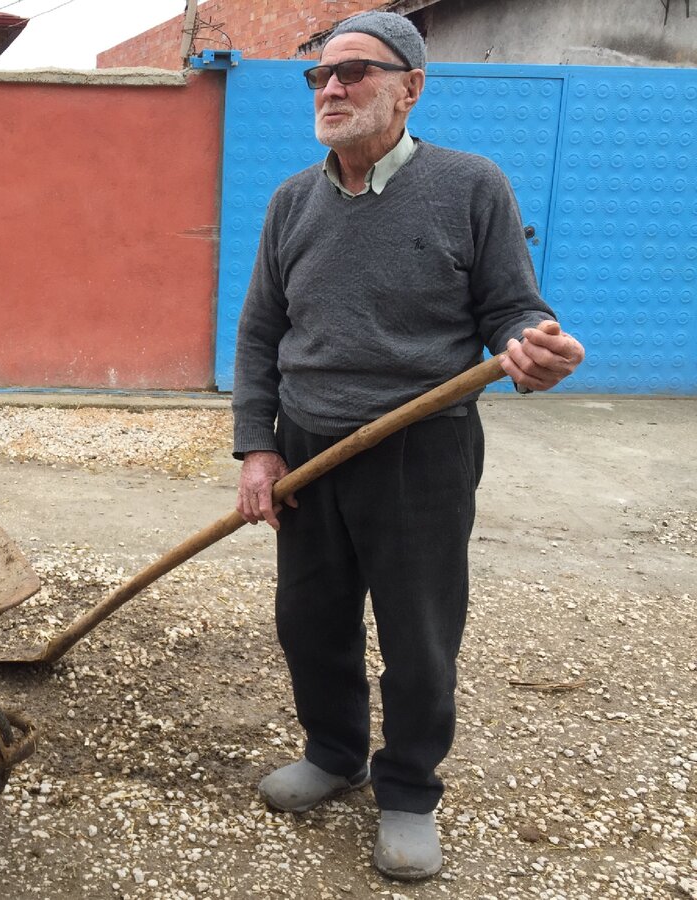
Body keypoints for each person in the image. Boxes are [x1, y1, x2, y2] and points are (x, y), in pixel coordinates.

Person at [231, 11, 585, 882]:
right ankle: (335, 752)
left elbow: (512, 309)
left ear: (410, 87)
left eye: (354, 72)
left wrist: (535, 345)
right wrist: (256, 448)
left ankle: (408, 790)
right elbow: (259, 333)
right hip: (308, 445)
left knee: (420, 633)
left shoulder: (472, 187)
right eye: (320, 76)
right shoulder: (291, 201)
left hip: (418, 445)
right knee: (309, 621)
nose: (332, 88)